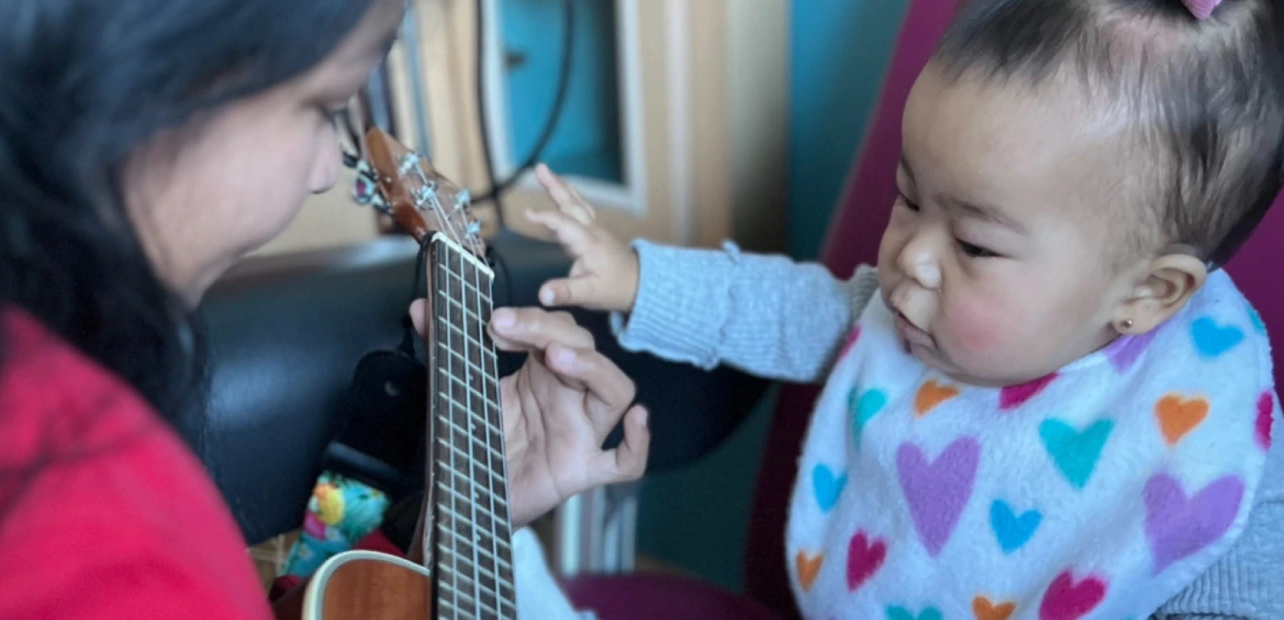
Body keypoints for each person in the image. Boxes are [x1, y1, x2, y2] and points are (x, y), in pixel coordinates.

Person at [0, 0, 649, 618]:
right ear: (148, 66)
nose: (327, 173)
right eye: (324, 106)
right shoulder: (97, 546)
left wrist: (459, 518)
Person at [523, 0, 1284, 617]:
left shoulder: (1208, 443)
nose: (911, 257)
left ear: (1147, 293)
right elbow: (774, 308)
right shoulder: (898, 321)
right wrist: (636, 278)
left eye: (975, 245)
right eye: (908, 198)